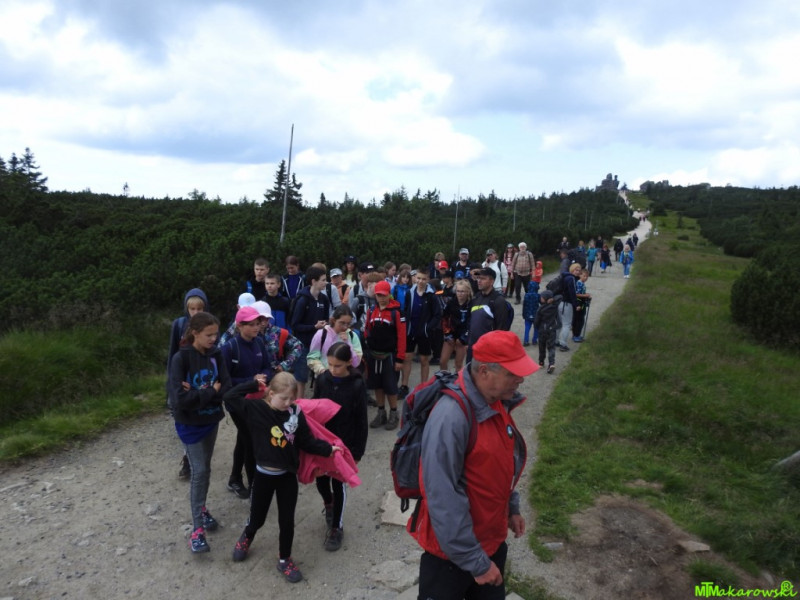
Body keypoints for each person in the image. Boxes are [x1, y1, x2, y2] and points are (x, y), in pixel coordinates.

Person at [409, 330, 537, 600]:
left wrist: (511, 507)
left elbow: (499, 464)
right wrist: (474, 561)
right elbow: (441, 495)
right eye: (512, 373)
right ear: (484, 371)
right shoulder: (451, 416)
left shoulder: (495, 401)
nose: (521, 379)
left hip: (489, 544)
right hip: (451, 558)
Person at [222, 372, 341, 582]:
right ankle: (247, 536)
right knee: (257, 517)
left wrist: (327, 449)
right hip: (263, 476)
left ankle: (284, 559)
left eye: (291, 398)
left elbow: (305, 440)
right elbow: (229, 397)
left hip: (287, 476)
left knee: (287, 521)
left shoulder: (295, 412)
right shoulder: (256, 408)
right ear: (271, 394)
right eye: (283, 398)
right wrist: (253, 384)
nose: (288, 403)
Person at [167, 312, 231, 553]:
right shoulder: (180, 359)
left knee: (205, 467)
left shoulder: (216, 355)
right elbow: (179, 400)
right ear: (194, 333)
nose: (214, 339)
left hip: (211, 420)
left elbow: (226, 386)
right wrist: (210, 392)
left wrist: (198, 393)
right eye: (209, 335)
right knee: (200, 471)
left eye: (216, 334)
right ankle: (197, 531)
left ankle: (202, 509)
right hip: (189, 424)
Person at [311, 342, 369, 551]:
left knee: (339, 485)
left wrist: (357, 451)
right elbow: (314, 407)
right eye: (330, 364)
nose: (333, 369)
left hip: (344, 444)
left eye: (338, 365)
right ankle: (329, 504)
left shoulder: (357, 385)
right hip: (322, 441)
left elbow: (361, 419)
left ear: (348, 363)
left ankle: (337, 527)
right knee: (321, 480)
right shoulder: (322, 379)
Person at [220, 306, 271, 499]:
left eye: (257, 323)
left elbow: (267, 366)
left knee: (244, 438)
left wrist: (264, 377)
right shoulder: (229, 348)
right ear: (239, 326)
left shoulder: (259, 342)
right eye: (251, 324)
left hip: (257, 400)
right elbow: (225, 381)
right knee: (249, 440)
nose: (256, 327)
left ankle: (235, 479)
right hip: (237, 403)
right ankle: (254, 485)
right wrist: (251, 381)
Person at [167, 288, 209, 480]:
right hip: (182, 376)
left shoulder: (210, 324)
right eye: (192, 309)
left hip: (201, 377)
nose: (196, 313)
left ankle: (199, 454)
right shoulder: (179, 324)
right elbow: (172, 352)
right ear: (187, 309)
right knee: (184, 417)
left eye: (200, 309)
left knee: (201, 415)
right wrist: (172, 382)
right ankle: (188, 458)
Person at [364, 280, 406, 430]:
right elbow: (367, 329)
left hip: (390, 356)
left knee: (390, 387)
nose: (381, 298)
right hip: (373, 355)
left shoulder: (397, 312)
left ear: (389, 294)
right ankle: (381, 413)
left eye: (384, 295)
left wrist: (400, 359)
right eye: (378, 295)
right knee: (377, 385)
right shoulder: (371, 311)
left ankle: (394, 413)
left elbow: (402, 337)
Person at [400, 268, 442, 401]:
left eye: (423, 279)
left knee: (424, 359)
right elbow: (405, 309)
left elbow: (437, 314)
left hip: (424, 333)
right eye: (418, 278)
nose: (420, 281)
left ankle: (424, 386)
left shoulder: (431, 295)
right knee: (407, 357)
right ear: (414, 278)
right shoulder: (409, 292)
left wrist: (427, 328)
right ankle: (404, 386)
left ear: (428, 280)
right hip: (410, 330)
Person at [306, 304, 363, 378]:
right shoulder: (321, 334)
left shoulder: (352, 336)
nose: (345, 327)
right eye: (342, 323)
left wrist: (348, 343)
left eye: (348, 324)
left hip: (346, 379)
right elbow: (312, 358)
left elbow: (356, 363)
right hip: (325, 378)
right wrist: (323, 371)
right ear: (333, 320)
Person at [252, 301, 304, 379]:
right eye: (260, 319)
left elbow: (298, 345)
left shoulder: (278, 332)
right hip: (251, 377)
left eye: (266, 319)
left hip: (274, 376)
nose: (263, 323)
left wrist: (285, 365)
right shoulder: (246, 332)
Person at [467, 268, 508, 360]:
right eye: (478, 278)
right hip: (472, 346)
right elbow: (470, 321)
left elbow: (501, 329)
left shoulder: (498, 300)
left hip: (487, 348)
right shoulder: (476, 297)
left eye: (483, 278)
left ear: (492, 281)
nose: (479, 281)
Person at [440, 279, 472, 372]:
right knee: (442, 361)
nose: (460, 294)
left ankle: (458, 380)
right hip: (451, 333)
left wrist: (464, 338)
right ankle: (444, 378)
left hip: (463, 336)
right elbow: (444, 318)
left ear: (468, 292)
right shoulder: (451, 302)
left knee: (458, 364)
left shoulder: (471, 304)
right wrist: (447, 333)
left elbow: (472, 322)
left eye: (462, 291)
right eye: (458, 291)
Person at [534, 290, 561, 374]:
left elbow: (537, 320)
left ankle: (541, 362)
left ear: (546, 298)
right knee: (551, 347)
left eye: (542, 297)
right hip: (552, 329)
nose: (540, 298)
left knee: (542, 346)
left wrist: (536, 327)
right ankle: (551, 363)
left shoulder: (541, 308)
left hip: (542, 330)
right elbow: (560, 297)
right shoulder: (554, 306)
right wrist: (553, 299)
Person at [556, 263, 581, 351]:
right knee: (566, 325)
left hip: (561, 303)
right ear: (572, 270)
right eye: (576, 270)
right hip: (567, 304)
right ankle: (563, 344)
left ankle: (556, 341)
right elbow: (572, 293)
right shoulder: (571, 279)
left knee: (559, 324)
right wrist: (576, 304)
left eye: (579, 271)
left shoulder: (565, 277)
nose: (578, 272)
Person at [572, 269, 592, 342]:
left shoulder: (582, 283)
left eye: (587, 276)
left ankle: (576, 334)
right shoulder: (579, 283)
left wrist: (586, 295)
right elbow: (576, 294)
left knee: (579, 319)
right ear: (580, 275)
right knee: (579, 320)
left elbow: (581, 293)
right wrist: (586, 295)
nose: (586, 278)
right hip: (579, 303)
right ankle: (576, 335)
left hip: (582, 302)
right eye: (584, 276)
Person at [522, 280, 540, 347]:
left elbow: (524, 306)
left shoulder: (526, 295)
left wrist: (523, 314)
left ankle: (526, 341)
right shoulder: (538, 296)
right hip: (536, 315)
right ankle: (534, 340)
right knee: (536, 328)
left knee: (527, 328)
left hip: (527, 314)